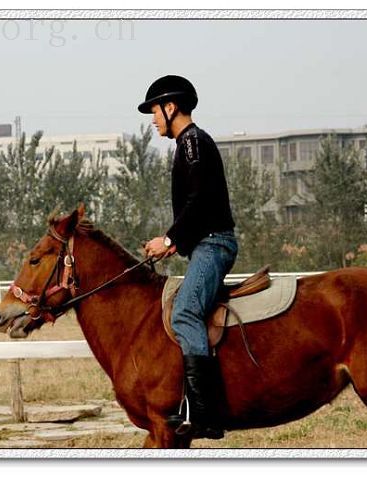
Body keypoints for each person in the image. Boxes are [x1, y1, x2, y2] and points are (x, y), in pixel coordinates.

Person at [139, 75, 237, 440]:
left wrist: (169, 239)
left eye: (154, 111)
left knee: (184, 312)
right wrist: (173, 242)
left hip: (214, 244)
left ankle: (205, 413)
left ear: (171, 106)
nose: (153, 120)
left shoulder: (192, 142)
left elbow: (199, 202)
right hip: (203, 243)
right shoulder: (189, 144)